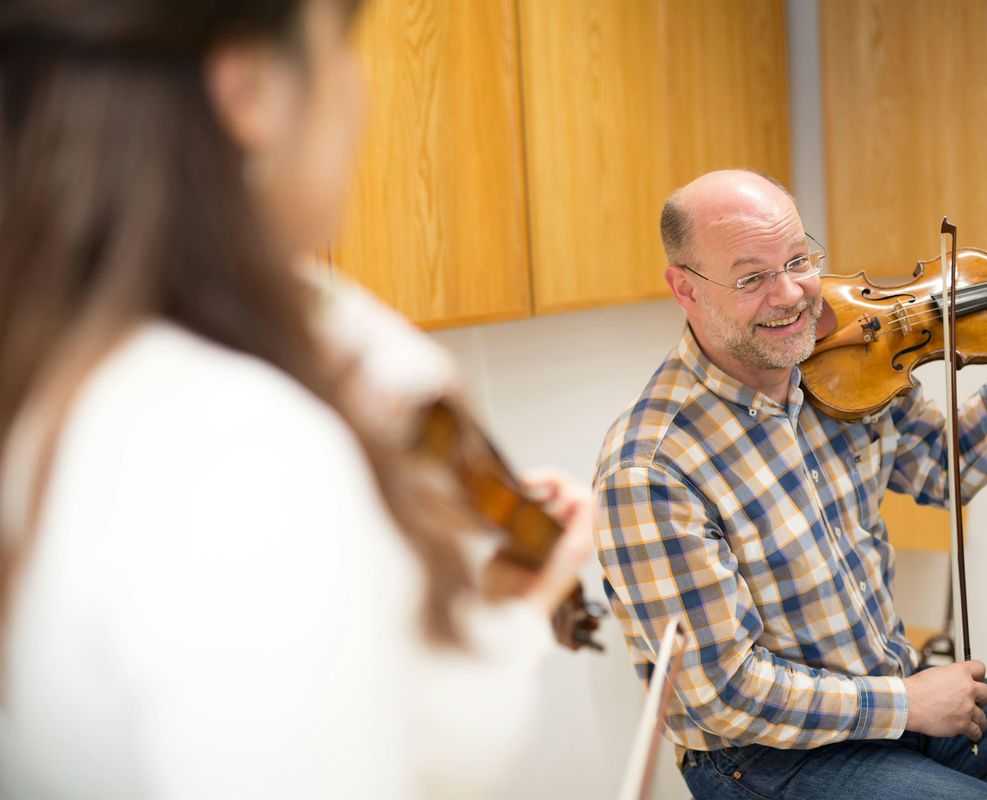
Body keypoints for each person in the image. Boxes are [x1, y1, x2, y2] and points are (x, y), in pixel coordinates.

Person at [0, 1, 590, 798]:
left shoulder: (60, 375)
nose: (360, 86)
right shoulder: (233, 447)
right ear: (248, 92)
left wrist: (511, 616)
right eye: (345, 44)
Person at [593, 169, 987, 799]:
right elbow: (725, 695)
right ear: (685, 290)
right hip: (763, 758)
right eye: (752, 277)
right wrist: (907, 703)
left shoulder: (847, 368)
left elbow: (949, 473)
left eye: (798, 259)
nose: (791, 295)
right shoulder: (649, 468)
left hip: (893, 697)